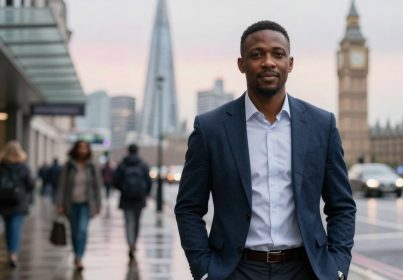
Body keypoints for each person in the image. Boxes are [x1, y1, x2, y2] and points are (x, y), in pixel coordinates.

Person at [175, 20, 356, 280]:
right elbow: (189, 207)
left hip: (304, 269)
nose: (268, 62)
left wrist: (337, 267)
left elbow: (341, 206)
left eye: (278, 54)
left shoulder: (321, 125)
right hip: (236, 270)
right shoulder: (211, 128)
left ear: (290, 63)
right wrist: (204, 270)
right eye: (257, 54)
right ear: (242, 64)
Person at [56, 140, 102, 271]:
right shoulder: (69, 165)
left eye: (85, 148)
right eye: (80, 148)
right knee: (74, 231)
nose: (82, 150)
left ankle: (79, 256)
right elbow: (62, 185)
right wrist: (59, 203)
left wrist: (99, 204)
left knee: (82, 230)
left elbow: (98, 186)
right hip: (70, 203)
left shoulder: (92, 166)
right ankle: (76, 254)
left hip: (86, 203)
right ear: (75, 149)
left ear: (88, 150)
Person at [113, 144, 152, 261]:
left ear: (127, 151)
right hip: (139, 198)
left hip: (126, 198)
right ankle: (134, 242)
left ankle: (130, 243)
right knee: (136, 222)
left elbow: (115, 181)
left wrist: (123, 189)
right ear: (137, 151)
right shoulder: (143, 165)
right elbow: (149, 182)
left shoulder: (122, 165)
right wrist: (145, 193)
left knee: (128, 222)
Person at [0, 140, 34, 268]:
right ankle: (13, 252)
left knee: (10, 228)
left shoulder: (2, 166)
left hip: (4, 201)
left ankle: (12, 251)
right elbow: (30, 185)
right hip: (18, 202)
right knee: (14, 228)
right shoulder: (24, 167)